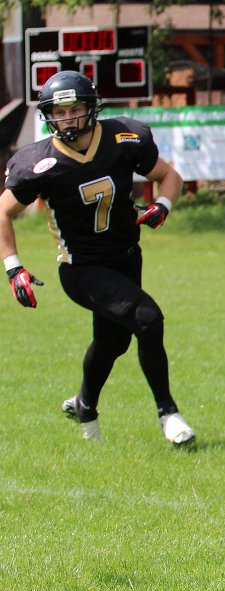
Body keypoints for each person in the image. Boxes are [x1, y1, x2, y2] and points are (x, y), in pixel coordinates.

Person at [0, 70, 195, 446]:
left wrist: (163, 205)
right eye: (59, 112)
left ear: (91, 108)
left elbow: (169, 176)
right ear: (48, 116)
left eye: (74, 109)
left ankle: (84, 405)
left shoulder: (124, 137)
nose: (67, 119)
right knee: (148, 319)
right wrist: (13, 268)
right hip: (81, 267)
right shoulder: (38, 162)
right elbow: (3, 211)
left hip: (126, 258)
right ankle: (168, 413)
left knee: (113, 342)